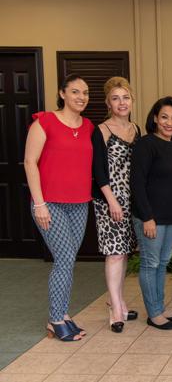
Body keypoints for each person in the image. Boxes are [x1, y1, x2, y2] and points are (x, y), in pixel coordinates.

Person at [24, 74, 93, 341]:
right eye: (75, 92)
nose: (81, 97)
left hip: (79, 204)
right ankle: (55, 319)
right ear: (62, 94)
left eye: (85, 92)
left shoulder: (87, 126)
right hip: (50, 204)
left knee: (68, 261)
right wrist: (39, 203)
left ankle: (63, 314)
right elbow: (30, 162)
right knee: (64, 260)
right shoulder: (44, 122)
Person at [131, 96, 172, 330]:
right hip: (150, 217)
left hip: (171, 216)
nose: (169, 122)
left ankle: (160, 307)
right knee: (150, 263)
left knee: (162, 263)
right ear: (155, 118)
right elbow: (137, 184)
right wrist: (147, 217)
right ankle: (154, 313)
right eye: (164, 117)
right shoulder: (146, 144)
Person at [92, 76, 140, 333]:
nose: (122, 103)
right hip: (110, 200)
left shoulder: (136, 128)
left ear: (131, 100)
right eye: (116, 98)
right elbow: (98, 171)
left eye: (126, 97)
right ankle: (114, 309)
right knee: (115, 254)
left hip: (131, 199)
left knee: (124, 253)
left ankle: (118, 299)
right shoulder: (101, 130)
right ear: (108, 103)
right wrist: (112, 201)